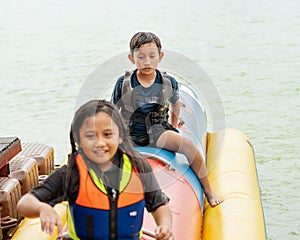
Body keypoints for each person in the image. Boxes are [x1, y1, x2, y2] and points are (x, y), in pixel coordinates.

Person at [17, 99, 173, 240]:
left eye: (107, 134)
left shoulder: (138, 167)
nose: (100, 143)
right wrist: (42, 208)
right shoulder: (72, 173)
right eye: (90, 136)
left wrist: (165, 226)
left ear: (120, 136)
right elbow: (24, 204)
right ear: (78, 139)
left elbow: (159, 204)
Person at [111, 32, 223, 207]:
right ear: (131, 58)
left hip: (158, 133)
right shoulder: (124, 83)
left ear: (160, 57)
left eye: (151, 56)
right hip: (130, 135)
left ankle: (209, 191)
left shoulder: (168, 82)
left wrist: (172, 124)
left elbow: (175, 104)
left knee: (189, 146)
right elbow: (113, 111)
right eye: (140, 57)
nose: (147, 61)